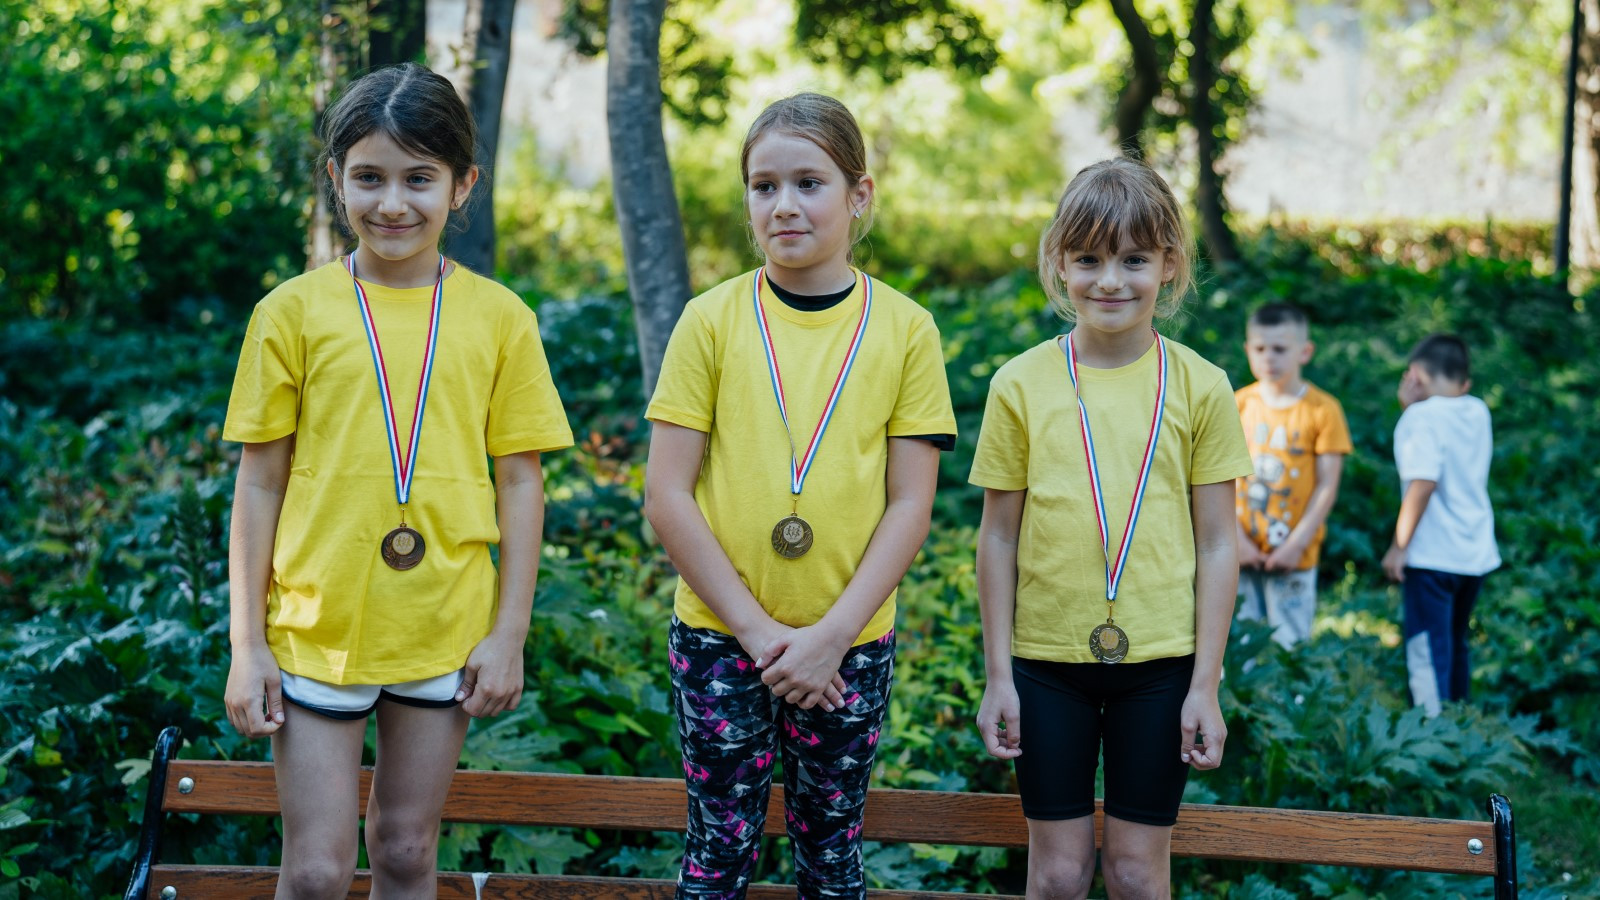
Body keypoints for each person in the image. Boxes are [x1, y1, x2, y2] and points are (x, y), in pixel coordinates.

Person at [221, 63, 572, 898]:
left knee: (408, 851)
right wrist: (247, 645)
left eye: (420, 178)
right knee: (315, 871)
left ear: (463, 185)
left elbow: (521, 484)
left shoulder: (501, 318)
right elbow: (259, 484)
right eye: (369, 177)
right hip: (317, 626)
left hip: (444, 626)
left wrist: (509, 633)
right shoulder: (291, 312)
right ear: (336, 178)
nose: (392, 203)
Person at [643, 92, 956, 899]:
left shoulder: (906, 329)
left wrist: (830, 638)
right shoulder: (709, 321)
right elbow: (667, 495)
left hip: (849, 643)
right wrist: (759, 637)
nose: (783, 205)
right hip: (720, 636)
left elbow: (910, 504)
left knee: (832, 857)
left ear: (859, 195)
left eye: (809, 183)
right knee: (718, 856)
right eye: (764, 186)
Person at [970, 157, 1252, 899]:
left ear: (1169, 264)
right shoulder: (1019, 384)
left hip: (1162, 665)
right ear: (1059, 263)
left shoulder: (1202, 386)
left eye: (1133, 260)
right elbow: (998, 537)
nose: (1110, 281)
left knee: (1134, 872)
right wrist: (998, 675)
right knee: (1059, 874)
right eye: (1089, 259)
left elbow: (1219, 543)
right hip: (1045, 661)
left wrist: (1206, 684)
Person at [1381, 334, 1499, 717]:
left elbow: (1423, 483)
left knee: (1427, 651)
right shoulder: (1478, 410)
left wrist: (1399, 547)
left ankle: (1432, 734)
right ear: (1464, 382)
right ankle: (1460, 721)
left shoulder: (1419, 418)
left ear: (1414, 375)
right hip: (1474, 554)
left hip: (1432, 556)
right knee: (1454, 642)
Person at [1234, 302, 1353, 649]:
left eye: (1280, 349)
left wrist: (1296, 545)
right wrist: (1236, 539)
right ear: (1247, 350)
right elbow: (1216, 478)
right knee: (1238, 643)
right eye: (1260, 349)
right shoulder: (1237, 404)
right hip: (1239, 550)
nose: (1268, 358)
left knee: (1292, 645)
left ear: (1305, 352)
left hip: (1294, 555)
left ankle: (1292, 691)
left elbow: (1327, 486)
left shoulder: (1323, 410)